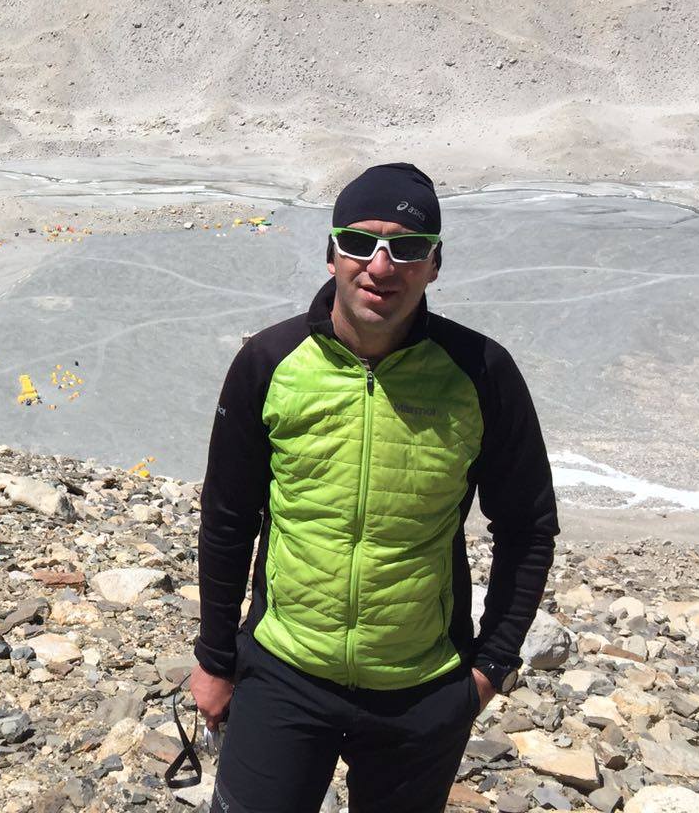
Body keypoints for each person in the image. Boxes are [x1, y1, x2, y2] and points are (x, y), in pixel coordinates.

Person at [189, 163, 559, 813]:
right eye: (360, 242)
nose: (381, 266)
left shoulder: (480, 374)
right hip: (284, 671)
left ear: (435, 264)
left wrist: (490, 669)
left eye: (408, 248)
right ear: (331, 253)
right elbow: (227, 517)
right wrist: (217, 659)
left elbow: (527, 526)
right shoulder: (269, 363)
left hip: (422, 690)